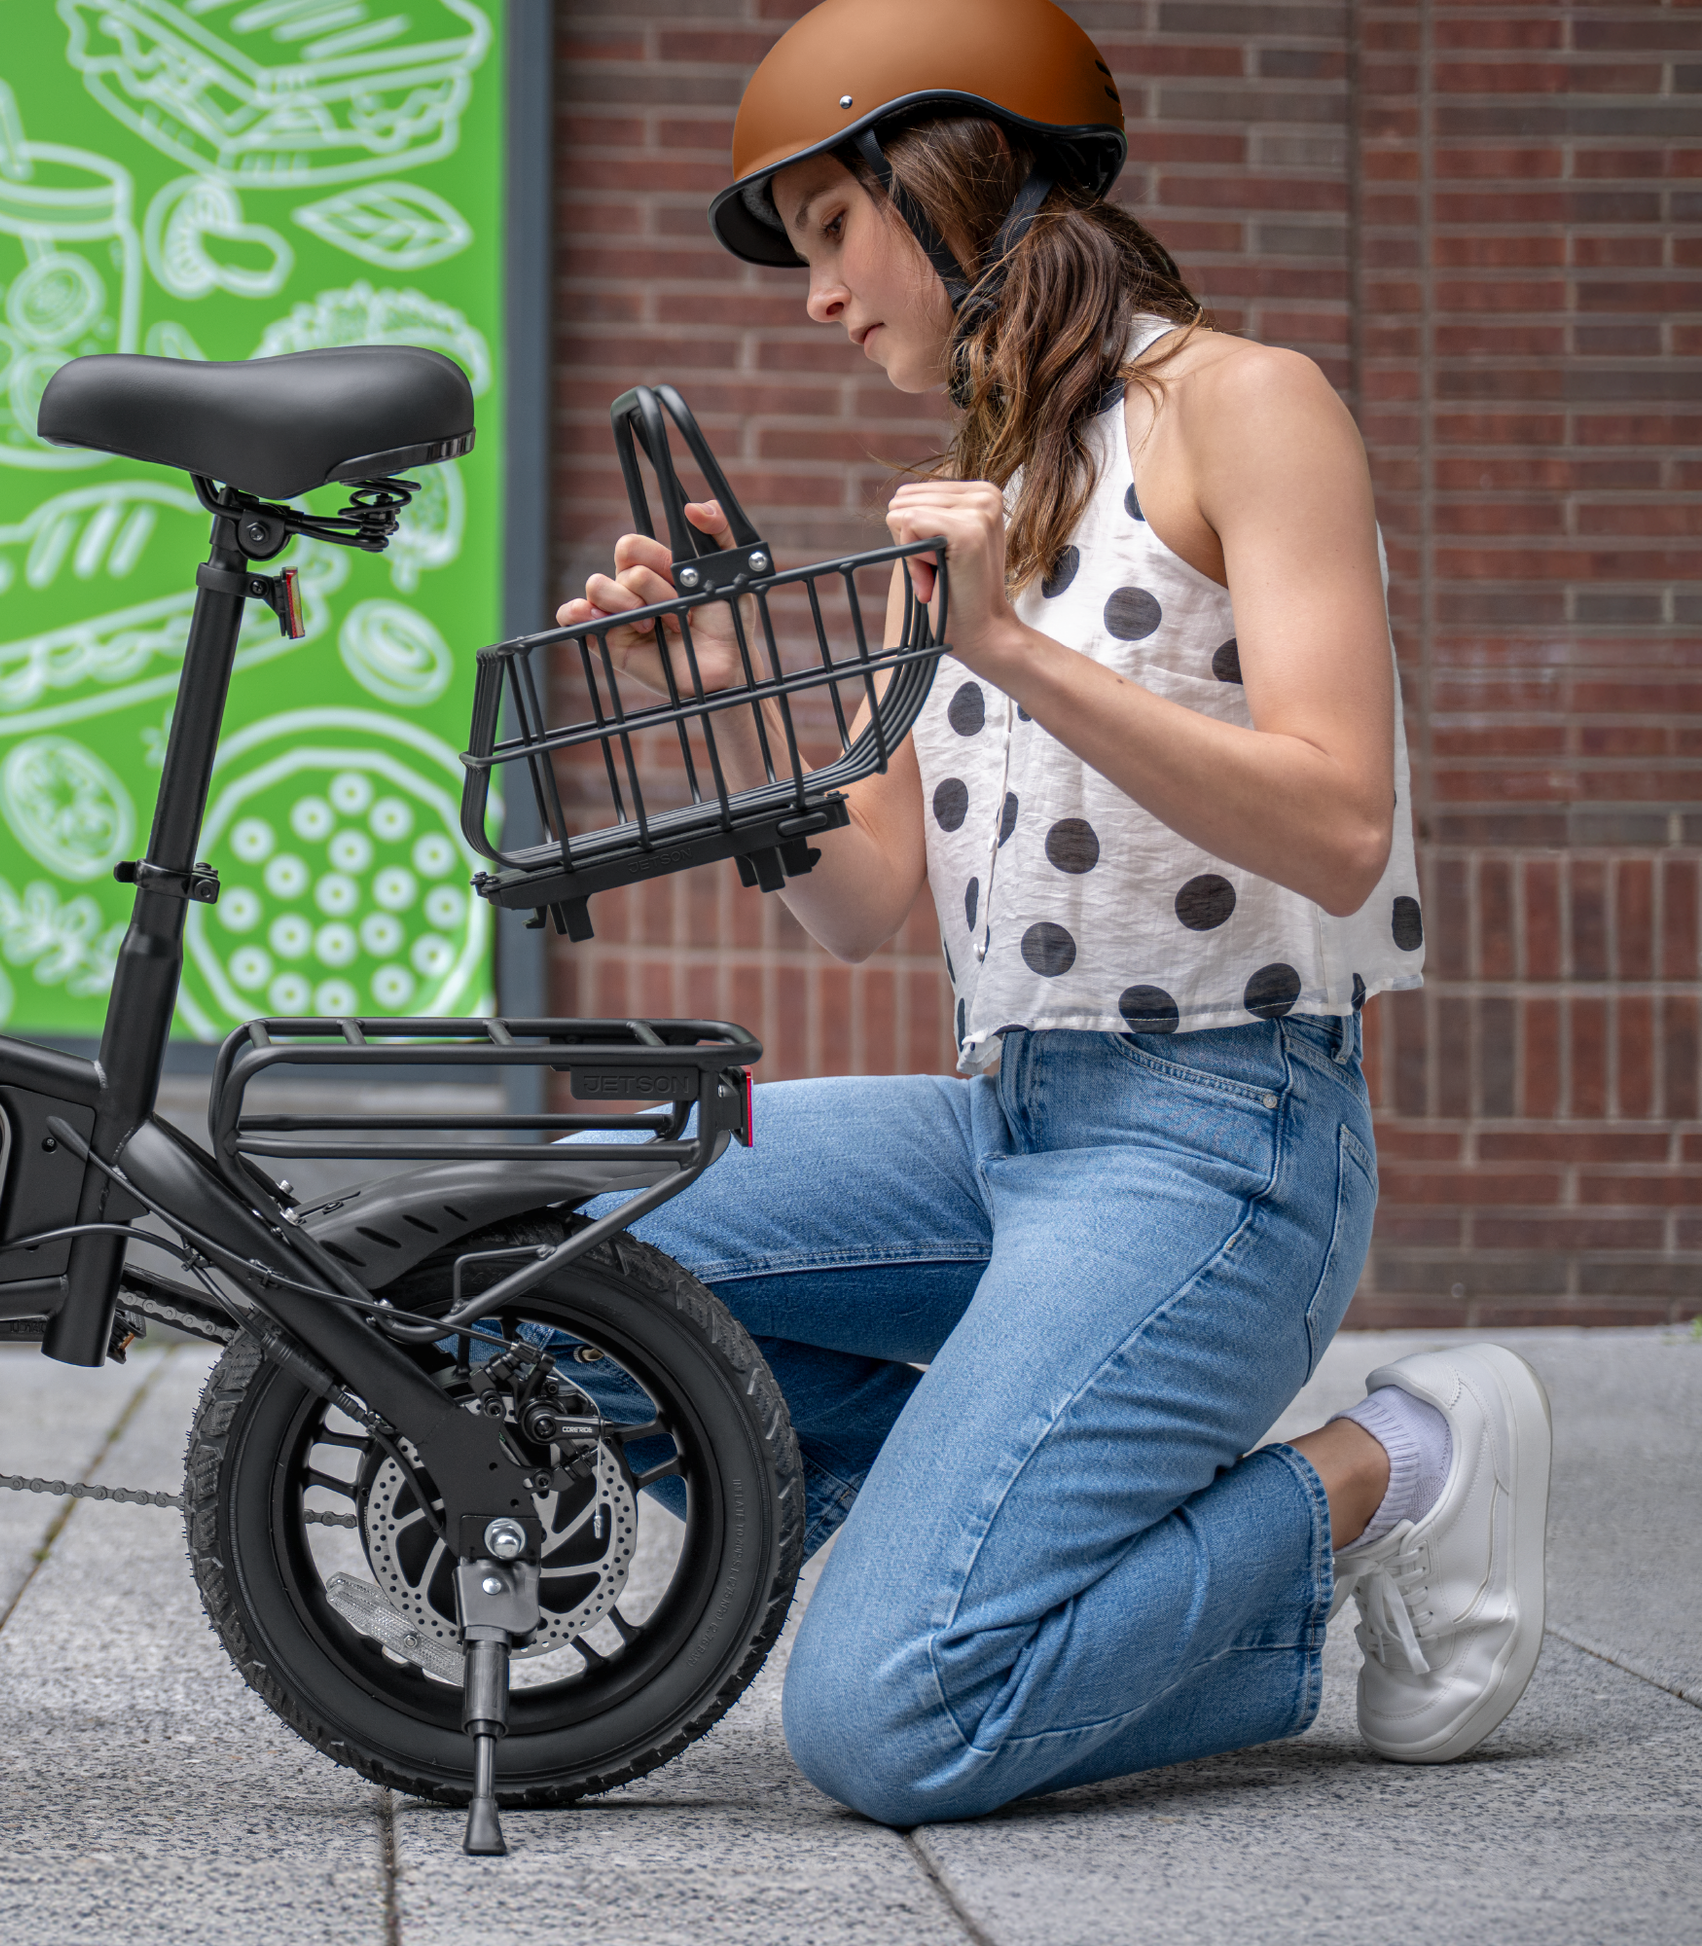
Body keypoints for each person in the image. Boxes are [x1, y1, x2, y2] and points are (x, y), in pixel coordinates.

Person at [558, 0, 1551, 1823]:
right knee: (524, 1256)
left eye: (831, 231)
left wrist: (1002, 642)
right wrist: (708, 684)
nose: (816, 295)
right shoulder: (961, 504)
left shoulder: (1247, 407)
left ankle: (1393, 1465)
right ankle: (1004, 1551)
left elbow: (1337, 820)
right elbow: (863, 907)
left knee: (887, 1728)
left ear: (953, 177)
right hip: (1000, 1126)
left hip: (1220, 1139)